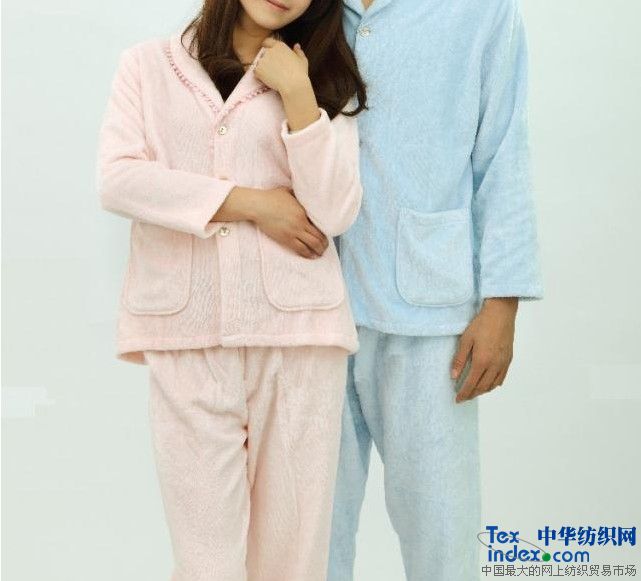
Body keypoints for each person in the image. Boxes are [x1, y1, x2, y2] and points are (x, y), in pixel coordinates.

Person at [96, 0, 367, 578]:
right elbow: (118, 179)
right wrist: (252, 204)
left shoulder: (322, 77)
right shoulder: (147, 66)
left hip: (299, 342)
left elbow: (334, 211)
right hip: (186, 341)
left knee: (293, 560)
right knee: (206, 563)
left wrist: (299, 96)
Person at [327, 0, 543, 579]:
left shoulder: (482, 11)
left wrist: (502, 301)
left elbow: (503, 153)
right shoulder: (302, 6)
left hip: (431, 313)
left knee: (442, 535)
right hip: (312, 308)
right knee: (309, 537)